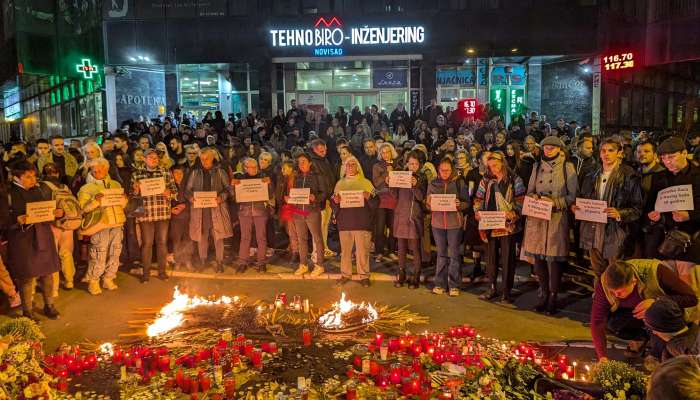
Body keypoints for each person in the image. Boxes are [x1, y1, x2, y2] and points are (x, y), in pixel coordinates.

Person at [591, 260, 698, 361]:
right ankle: (644, 336)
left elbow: (691, 299)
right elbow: (597, 321)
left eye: (619, 292)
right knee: (611, 325)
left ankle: (656, 346)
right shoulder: (605, 284)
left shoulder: (656, 271)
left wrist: (656, 301)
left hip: (662, 313)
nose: (616, 296)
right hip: (639, 314)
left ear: (634, 281)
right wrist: (602, 357)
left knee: (666, 352)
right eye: (612, 292)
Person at [521, 136, 577, 314]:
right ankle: (543, 293)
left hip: (556, 219)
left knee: (553, 260)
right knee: (538, 259)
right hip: (537, 217)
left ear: (560, 149)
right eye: (546, 147)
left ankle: (553, 296)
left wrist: (554, 202)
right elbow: (529, 191)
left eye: (553, 147)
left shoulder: (567, 167)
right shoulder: (537, 167)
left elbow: (573, 196)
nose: (549, 150)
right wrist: (534, 198)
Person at [2, 161, 61, 320]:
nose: (33, 180)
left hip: (43, 235)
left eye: (34, 176)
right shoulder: (7, 193)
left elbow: (46, 210)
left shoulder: (39, 189)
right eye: (28, 177)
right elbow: (3, 220)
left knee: (48, 273)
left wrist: (56, 213)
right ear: (16, 177)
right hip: (23, 240)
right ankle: (27, 312)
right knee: (27, 277)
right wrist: (16, 220)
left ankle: (49, 305)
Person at [575, 138, 643, 277]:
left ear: (619, 153)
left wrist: (620, 213)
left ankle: (615, 298)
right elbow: (583, 199)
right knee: (598, 272)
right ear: (599, 154)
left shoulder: (629, 175)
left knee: (616, 273)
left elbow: (637, 207)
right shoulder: (591, 175)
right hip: (594, 230)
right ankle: (600, 298)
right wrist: (577, 208)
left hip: (616, 232)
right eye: (603, 151)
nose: (606, 154)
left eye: (611, 150)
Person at [474, 151, 526, 303]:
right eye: (490, 167)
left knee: (507, 259)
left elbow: (521, 201)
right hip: (489, 223)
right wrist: (477, 212)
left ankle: (506, 291)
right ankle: (492, 287)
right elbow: (478, 198)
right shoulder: (486, 180)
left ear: (502, 163)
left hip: (507, 226)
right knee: (491, 258)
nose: (493, 169)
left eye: (495, 165)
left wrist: (514, 213)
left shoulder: (514, 179)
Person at [77, 158, 127, 295]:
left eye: (100, 169)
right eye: (94, 170)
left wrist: (124, 199)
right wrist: (95, 201)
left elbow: (123, 205)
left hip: (117, 223)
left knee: (115, 251)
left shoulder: (116, 184)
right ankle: (93, 281)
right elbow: (82, 209)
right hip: (100, 225)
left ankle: (109, 278)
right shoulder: (86, 188)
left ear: (107, 169)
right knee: (99, 252)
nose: (97, 171)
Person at [646, 137, 700, 262]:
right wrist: (655, 216)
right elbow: (651, 205)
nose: (667, 162)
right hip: (662, 240)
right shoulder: (659, 178)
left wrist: (689, 215)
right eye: (663, 158)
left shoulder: (697, 176)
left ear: (685, 153)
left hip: (690, 240)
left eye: (671, 157)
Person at [131, 148, 178, 282]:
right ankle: (146, 274)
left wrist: (169, 193)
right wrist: (135, 191)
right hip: (145, 213)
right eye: (150, 157)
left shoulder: (165, 172)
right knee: (147, 243)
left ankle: (162, 272)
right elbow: (131, 196)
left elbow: (175, 191)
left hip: (162, 212)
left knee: (162, 243)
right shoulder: (137, 174)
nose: (153, 159)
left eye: (156, 157)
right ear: (144, 159)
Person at [331, 157, 378, 287]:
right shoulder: (339, 184)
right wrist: (335, 201)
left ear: (358, 166)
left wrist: (369, 198)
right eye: (348, 165)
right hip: (345, 223)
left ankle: (364, 275)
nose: (350, 166)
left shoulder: (366, 183)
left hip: (362, 222)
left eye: (353, 164)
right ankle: (345, 274)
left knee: (362, 251)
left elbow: (376, 202)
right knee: (345, 251)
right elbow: (333, 203)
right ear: (344, 168)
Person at [186, 147, 234, 272]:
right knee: (202, 237)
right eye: (201, 159)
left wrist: (221, 197)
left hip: (216, 210)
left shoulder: (219, 171)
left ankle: (219, 262)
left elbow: (228, 189)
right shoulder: (195, 172)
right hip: (201, 211)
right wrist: (191, 197)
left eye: (206, 158)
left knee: (218, 237)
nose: (204, 161)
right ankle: (203, 261)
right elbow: (188, 190)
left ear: (212, 158)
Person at [426, 158, 469, 296]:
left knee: (454, 254)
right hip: (437, 223)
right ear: (438, 170)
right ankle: (440, 283)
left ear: (452, 170)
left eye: (448, 170)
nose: (445, 173)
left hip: (454, 224)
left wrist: (459, 204)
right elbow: (427, 204)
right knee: (441, 254)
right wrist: (429, 203)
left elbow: (467, 203)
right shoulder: (433, 183)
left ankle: (454, 285)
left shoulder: (459, 182)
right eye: (442, 170)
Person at [40, 163, 79, 295]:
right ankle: (69, 280)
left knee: (53, 256)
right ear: (58, 173)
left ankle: (54, 288)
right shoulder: (65, 187)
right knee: (67, 253)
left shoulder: (41, 186)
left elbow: (42, 208)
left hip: (52, 225)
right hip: (68, 224)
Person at [391, 151, 427, 289]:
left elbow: (420, 197)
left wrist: (415, 185)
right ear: (406, 163)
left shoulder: (422, 177)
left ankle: (416, 275)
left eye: (416, 164)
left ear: (420, 164)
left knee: (415, 248)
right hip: (401, 214)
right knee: (401, 248)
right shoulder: (400, 175)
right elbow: (394, 195)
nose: (413, 166)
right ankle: (401, 274)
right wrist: (391, 183)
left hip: (414, 216)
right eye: (411, 163)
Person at [232, 158, 272, 273]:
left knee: (261, 237)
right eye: (251, 167)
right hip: (245, 212)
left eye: (256, 167)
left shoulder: (263, 176)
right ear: (245, 168)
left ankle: (262, 263)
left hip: (260, 211)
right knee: (245, 238)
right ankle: (242, 262)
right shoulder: (240, 178)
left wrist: (269, 184)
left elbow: (271, 194)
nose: (254, 169)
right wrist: (233, 186)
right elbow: (234, 197)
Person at [290, 153, 327, 277]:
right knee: (301, 239)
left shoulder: (318, 176)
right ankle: (303, 264)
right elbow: (295, 193)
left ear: (310, 163)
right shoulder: (297, 177)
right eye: (299, 162)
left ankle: (320, 265)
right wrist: (289, 199)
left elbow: (324, 193)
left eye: (304, 161)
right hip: (299, 212)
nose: (301, 164)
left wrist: (315, 197)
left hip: (312, 211)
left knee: (317, 239)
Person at [635, 141, 666, 258]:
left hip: (654, 226)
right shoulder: (636, 172)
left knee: (650, 257)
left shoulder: (663, 174)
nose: (642, 154)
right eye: (639, 152)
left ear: (655, 154)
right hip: (637, 223)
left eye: (647, 151)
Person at [309, 139, 337, 259]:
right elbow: (318, 184)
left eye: (325, 150)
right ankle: (316, 253)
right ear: (314, 149)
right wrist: (323, 198)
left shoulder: (324, 160)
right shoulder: (313, 163)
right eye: (321, 150)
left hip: (328, 199)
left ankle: (324, 248)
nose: (324, 152)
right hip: (320, 200)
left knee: (325, 226)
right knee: (318, 228)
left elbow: (329, 179)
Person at [372, 142, 399, 262]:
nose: (385, 154)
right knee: (380, 227)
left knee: (393, 227)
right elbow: (376, 183)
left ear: (391, 152)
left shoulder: (398, 165)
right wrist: (386, 173)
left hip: (394, 200)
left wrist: (393, 171)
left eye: (387, 151)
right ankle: (379, 252)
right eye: (382, 152)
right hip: (382, 200)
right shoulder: (377, 166)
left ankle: (392, 251)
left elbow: (400, 182)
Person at [169, 164, 193, 270]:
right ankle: (177, 261)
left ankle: (188, 261)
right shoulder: (169, 186)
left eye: (180, 173)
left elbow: (194, 200)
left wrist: (185, 205)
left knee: (188, 240)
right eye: (175, 173)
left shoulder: (189, 185)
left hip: (188, 217)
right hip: (175, 219)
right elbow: (165, 201)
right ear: (172, 174)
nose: (178, 175)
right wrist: (170, 210)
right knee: (176, 241)